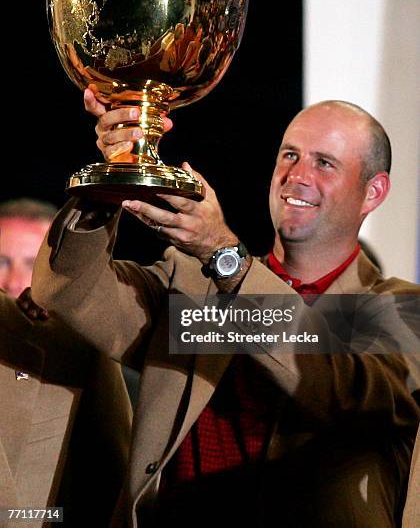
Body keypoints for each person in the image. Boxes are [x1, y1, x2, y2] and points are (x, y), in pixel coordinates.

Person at [31, 95, 420, 527]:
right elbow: (69, 290)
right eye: (289, 155)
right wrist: (113, 180)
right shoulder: (192, 287)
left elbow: (334, 387)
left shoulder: (395, 309)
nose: (296, 175)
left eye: (325, 163)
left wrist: (224, 257)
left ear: (373, 191)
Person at [0, 198, 132, 525]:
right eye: (1, 261)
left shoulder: (87, 351)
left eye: (32, 263)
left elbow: (107, 488)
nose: (16, 279)